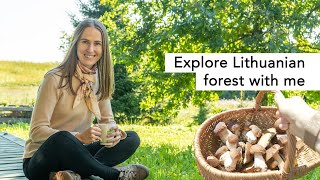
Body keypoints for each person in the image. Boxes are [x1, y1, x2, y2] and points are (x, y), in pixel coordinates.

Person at [22, 18, 149, 180]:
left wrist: (113, 133)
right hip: (41, 160)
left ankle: (72, 174)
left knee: (130, 138)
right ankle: (113, 174)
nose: (91, 49)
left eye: (97, 43)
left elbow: (106, 120)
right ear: (75, 44)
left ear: (103, 48)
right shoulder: (54, 78)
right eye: (85, 42)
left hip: (79, 154)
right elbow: (36, 131)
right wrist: (79, 137)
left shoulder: (99, 79)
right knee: (63, 138)